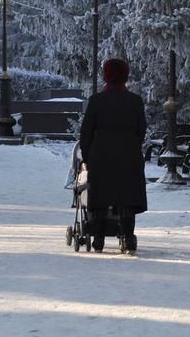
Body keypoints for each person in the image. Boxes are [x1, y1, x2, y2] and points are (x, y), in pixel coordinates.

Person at [79, 58, 147, 253]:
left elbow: (87, 131)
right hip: (129, 155)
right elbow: (141, 129)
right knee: (126, 196)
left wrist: (87, 155)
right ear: (126, 75)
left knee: (100, 195)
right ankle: (127, 236)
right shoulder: (134, 101)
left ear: (105, 75)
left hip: (101, 155)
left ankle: (98, 237)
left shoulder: (96, 101)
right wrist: (132, 145)